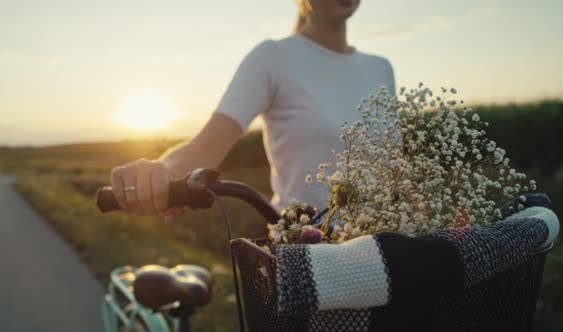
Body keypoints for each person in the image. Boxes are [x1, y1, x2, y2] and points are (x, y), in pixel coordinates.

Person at [110, 0, 396, 221]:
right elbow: (208, 145)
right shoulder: (273, 58)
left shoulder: (380, 68)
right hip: (304, 249)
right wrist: (156, 176)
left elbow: (393, 170)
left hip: (380, 251)